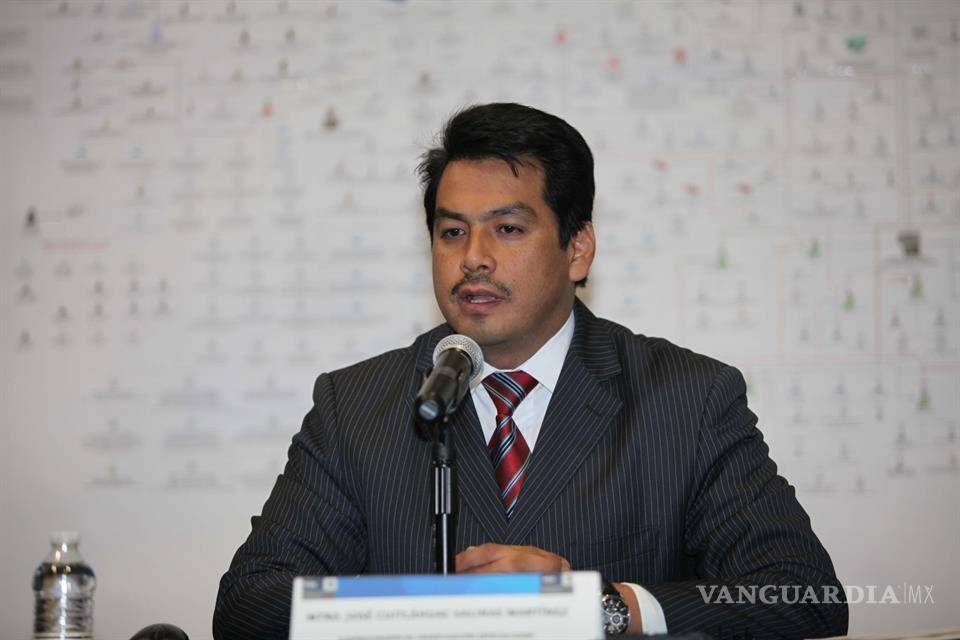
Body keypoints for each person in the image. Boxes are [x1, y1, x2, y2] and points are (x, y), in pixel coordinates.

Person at [214, 103, 848, 639]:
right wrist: (430, 613)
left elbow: (803, 593)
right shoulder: (355, 405)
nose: (474, 258)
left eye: (508, 229)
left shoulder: (686, 398)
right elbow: (247, 603)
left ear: (578, 249)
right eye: (452, 232)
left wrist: (602, 607)